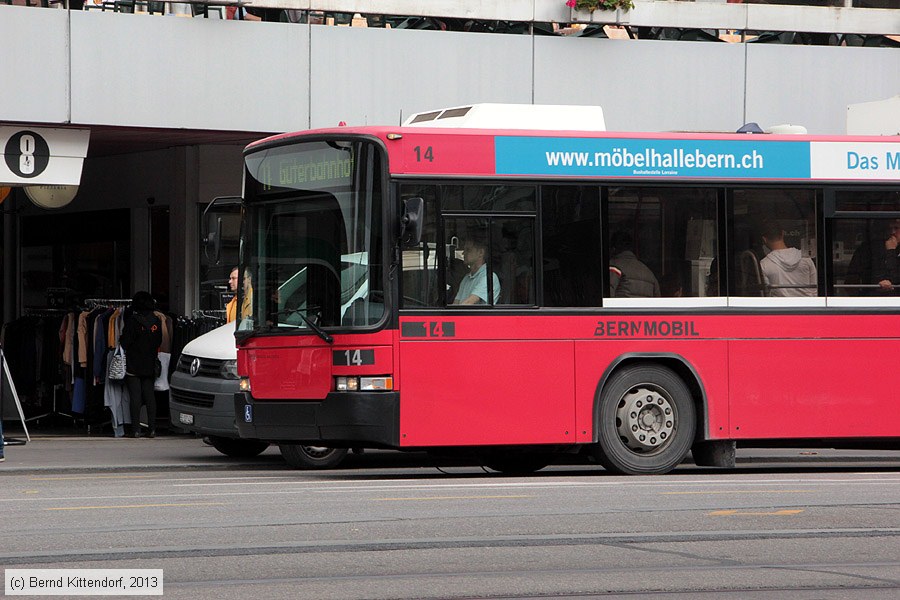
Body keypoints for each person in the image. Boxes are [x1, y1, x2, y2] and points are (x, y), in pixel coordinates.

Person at [119, 291, 163, 439]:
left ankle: (136, 429)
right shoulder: (157, 321)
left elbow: (125, 342)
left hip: (134, 362)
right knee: (150, 395)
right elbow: (159, 341)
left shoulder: (133, 321)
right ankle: (152, 429)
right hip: (150, 362)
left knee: (135, 397)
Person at [759, 220, 817, 297]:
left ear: (764, 240)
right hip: (806, 307)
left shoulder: (764, 264)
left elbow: (767, 294)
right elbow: (815, 288)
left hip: (781, 308)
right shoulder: (805, 258)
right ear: (783, 234)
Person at [608, 230, 660, 298]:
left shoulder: (614, 267)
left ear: (613, 249)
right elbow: (657, 302)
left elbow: (607, 299)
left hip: (622, 308)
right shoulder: (649, 273)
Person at [453, 238, 500, 305]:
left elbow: (469, 303)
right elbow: (456, 304)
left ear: (481, 253)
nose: (463, 253)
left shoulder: (489, 277)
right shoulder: (466, 278)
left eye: (468, 250)